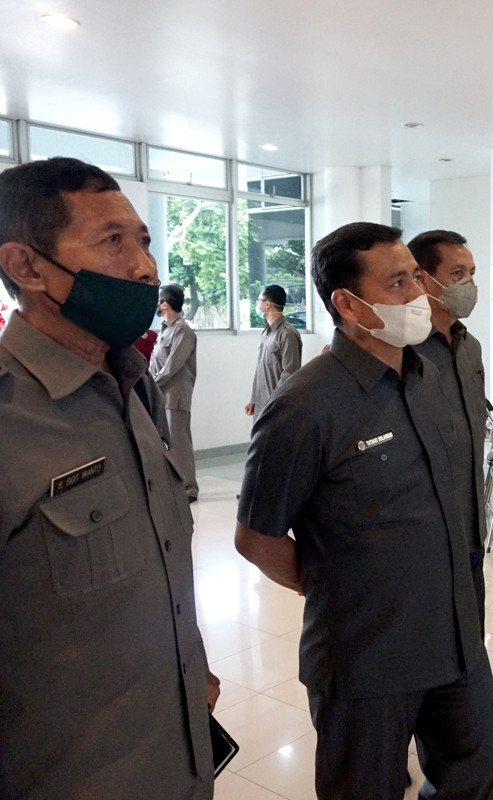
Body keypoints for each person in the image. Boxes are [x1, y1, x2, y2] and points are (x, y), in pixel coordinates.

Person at [234, 222, 493, 799]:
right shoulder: (304, 405)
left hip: (456, 636)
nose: (419, 294)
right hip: (366, 654)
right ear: (349, 304)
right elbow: (255, 537)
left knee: (476, 773)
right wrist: (337, 583)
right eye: (398, 283)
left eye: (416, 278)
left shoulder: (432, 379)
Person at [0, 157, 219, 799]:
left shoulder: (132, 389)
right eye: (113, 241)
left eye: (144, 241)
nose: (145, 267)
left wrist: (190, 660)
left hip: (177, 753)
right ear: (27, 266)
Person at [409, 228, 493, 789]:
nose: (469, 284)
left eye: (472, 273)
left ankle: (469, 750)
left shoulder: (470, 347)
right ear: (423, 279)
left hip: (468, 534)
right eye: (458, 274)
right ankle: (399, 752)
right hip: (420, 542)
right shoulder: (402, 351)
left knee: (467, 649)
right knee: (416, 659)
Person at [149, 283, 199, 501]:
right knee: (165, 444)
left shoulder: (182, 330)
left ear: (165, 304)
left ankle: (189, 489)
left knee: (179, 443)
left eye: (158, 301)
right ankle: (173, 486)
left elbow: (172, 365)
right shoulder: (166, 329)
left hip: (175, 396)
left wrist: (153, 383)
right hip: (162, 395)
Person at [244, 282, 301, 419]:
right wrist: (254, 399)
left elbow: (290, 373)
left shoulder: (288, 334)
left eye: (259, 300)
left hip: (277, 407)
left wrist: (273, 401)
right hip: (260, 405)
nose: (258, 305)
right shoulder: (266, 332)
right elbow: (260, 369)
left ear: (267, 304)